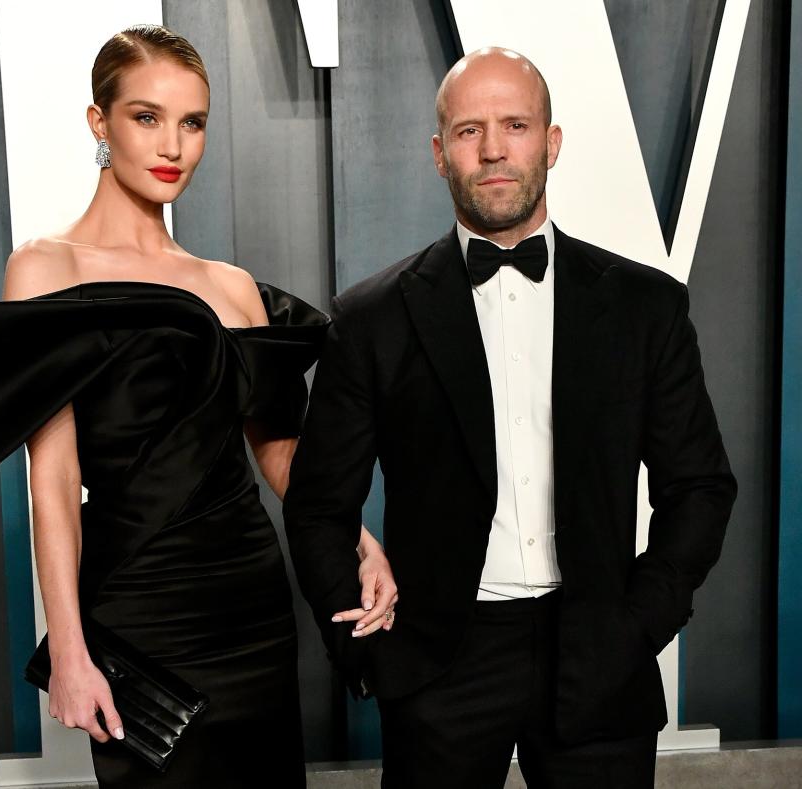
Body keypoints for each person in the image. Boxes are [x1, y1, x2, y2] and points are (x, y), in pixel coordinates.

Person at [0, 25, 396, 788]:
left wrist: (357, 535)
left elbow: (278, 448)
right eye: (147, 117)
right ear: (99, 122)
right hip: (138, 603)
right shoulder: (46, 268)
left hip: (250, 599)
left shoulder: (231, 286)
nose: (173, 145)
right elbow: (51, 480)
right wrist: (71, 652)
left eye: (192, 122)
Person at [284, 47, 737, 789]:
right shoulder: (371, 318)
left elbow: (701, 486)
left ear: (551, 142)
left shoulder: (645, 307)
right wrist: (371, 652)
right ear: (438, 154)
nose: (493, 148)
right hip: (439, 665)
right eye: (469, 130)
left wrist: (639, 625)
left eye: (515, 124)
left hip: (599, 650)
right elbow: (316, 506)